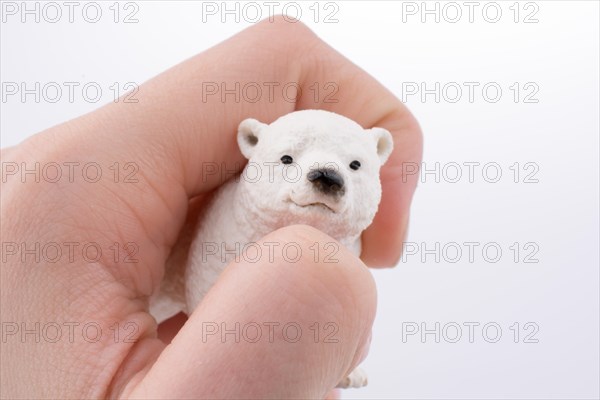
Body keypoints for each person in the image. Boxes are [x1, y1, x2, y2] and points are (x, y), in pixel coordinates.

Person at [0, 17, 422, 399]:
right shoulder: (228, 220)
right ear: (252, 144)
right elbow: (201, 287)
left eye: (353, 166)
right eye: (289, 162)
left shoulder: (346, 245)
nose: (328, 179)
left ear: (378, 154)